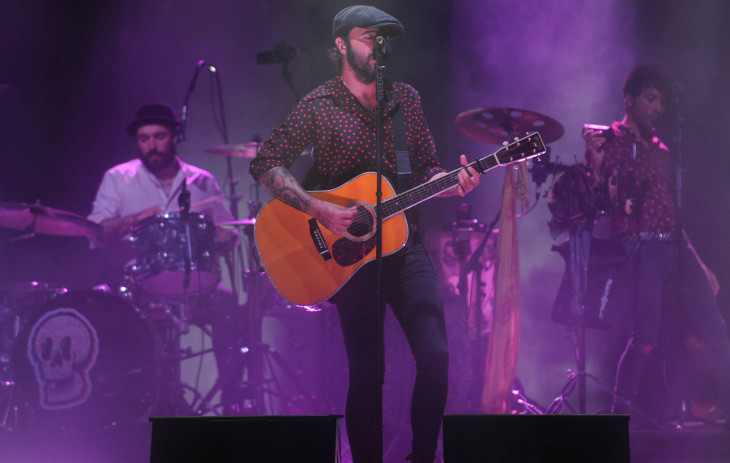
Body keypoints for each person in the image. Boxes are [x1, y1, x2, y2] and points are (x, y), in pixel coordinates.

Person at [248, 5, 480, 462]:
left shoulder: (405, 100)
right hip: (345, 257)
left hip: (405, 246)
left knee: (435, 357)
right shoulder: (319, 104)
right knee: (369, 374)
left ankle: (422, 457)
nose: (378, 45)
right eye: (366, 36)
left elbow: (429, 168)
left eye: (383, 37)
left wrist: (451, 184)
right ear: (340, 45)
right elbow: (265, 161)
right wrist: (317, 208)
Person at [583, 64, 730, 430]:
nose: (657, 108)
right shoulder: (608, 140)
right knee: (645, 339)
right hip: (640, 248)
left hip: (676, 245)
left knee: (716, 329)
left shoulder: (660, 148)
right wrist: (593, 164)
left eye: (661, 101)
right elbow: (598, 201)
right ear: (630, 99)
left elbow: (671, 211)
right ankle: (617, 417)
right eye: (650, 98)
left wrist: (699, 262)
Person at [88, 103, 246, 414]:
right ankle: (134, 410)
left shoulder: (201, 181)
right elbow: (95, 232)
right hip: (138, 287)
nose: (151, 145)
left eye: (159, 136)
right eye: (144, 139)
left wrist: (225, 238)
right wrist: (136, 218)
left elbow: (227, 230)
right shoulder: (118, 178)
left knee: (231, 309)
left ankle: (233, 404)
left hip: (195, 285)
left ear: (174, 136)